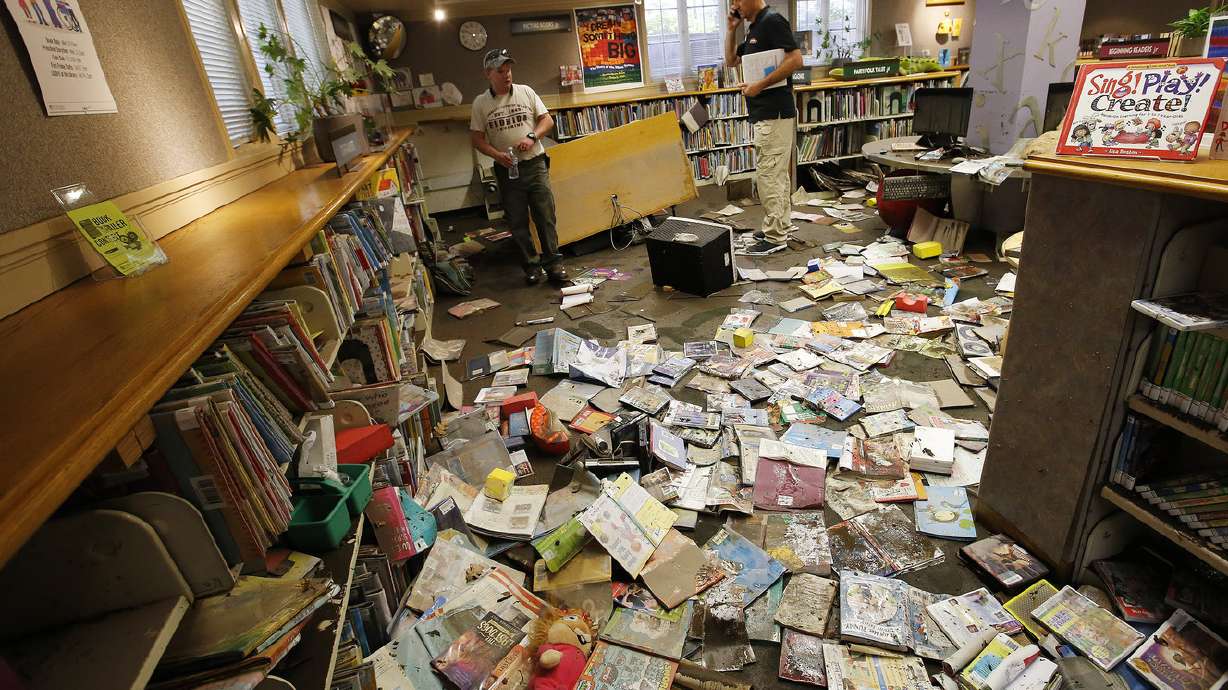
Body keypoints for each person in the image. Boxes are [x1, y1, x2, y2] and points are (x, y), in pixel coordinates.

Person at [469, 48, 568, 285]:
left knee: (545, 215)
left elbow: (547, 120)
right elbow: (477, 139)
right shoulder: (481, 104)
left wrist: (532, 137)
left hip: (534, 164)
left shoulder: (526, 92)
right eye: (501, 71)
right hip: (507, 169)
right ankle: (531, 266)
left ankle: (554, 263)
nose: (507, 75)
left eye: (509, 70)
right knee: (517, 221)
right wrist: (496, 155)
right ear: (488, 74)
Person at [725, 0, 803, 253]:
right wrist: (731, 28)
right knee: (776, 175)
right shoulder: (755, 26)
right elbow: (730, 61)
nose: (735, 5)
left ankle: (775, 238)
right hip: (765, 113)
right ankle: (779, 227)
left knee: (769, 176)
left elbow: (795, 59)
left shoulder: (772, 21)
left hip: (774, 112)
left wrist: (759, 85)